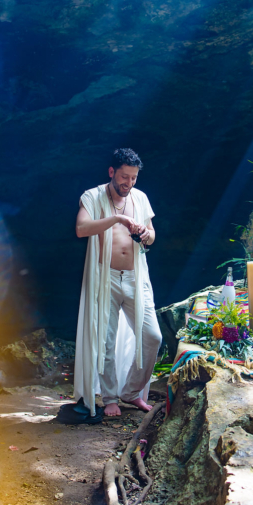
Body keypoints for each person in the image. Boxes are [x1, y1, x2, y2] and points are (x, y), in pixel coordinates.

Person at [74, 148, 162, 417]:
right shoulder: (92, 196)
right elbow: (81, 229)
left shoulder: (140, 198)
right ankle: (110, 397)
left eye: (134, 178)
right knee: (106, 341)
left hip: (135, 277)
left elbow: (153, 234)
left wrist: (146, 235)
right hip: (106, 278)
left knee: (152, 337)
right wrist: (117, 219)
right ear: (112, 172)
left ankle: (131, 392)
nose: (129, 183)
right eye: (125, 177)